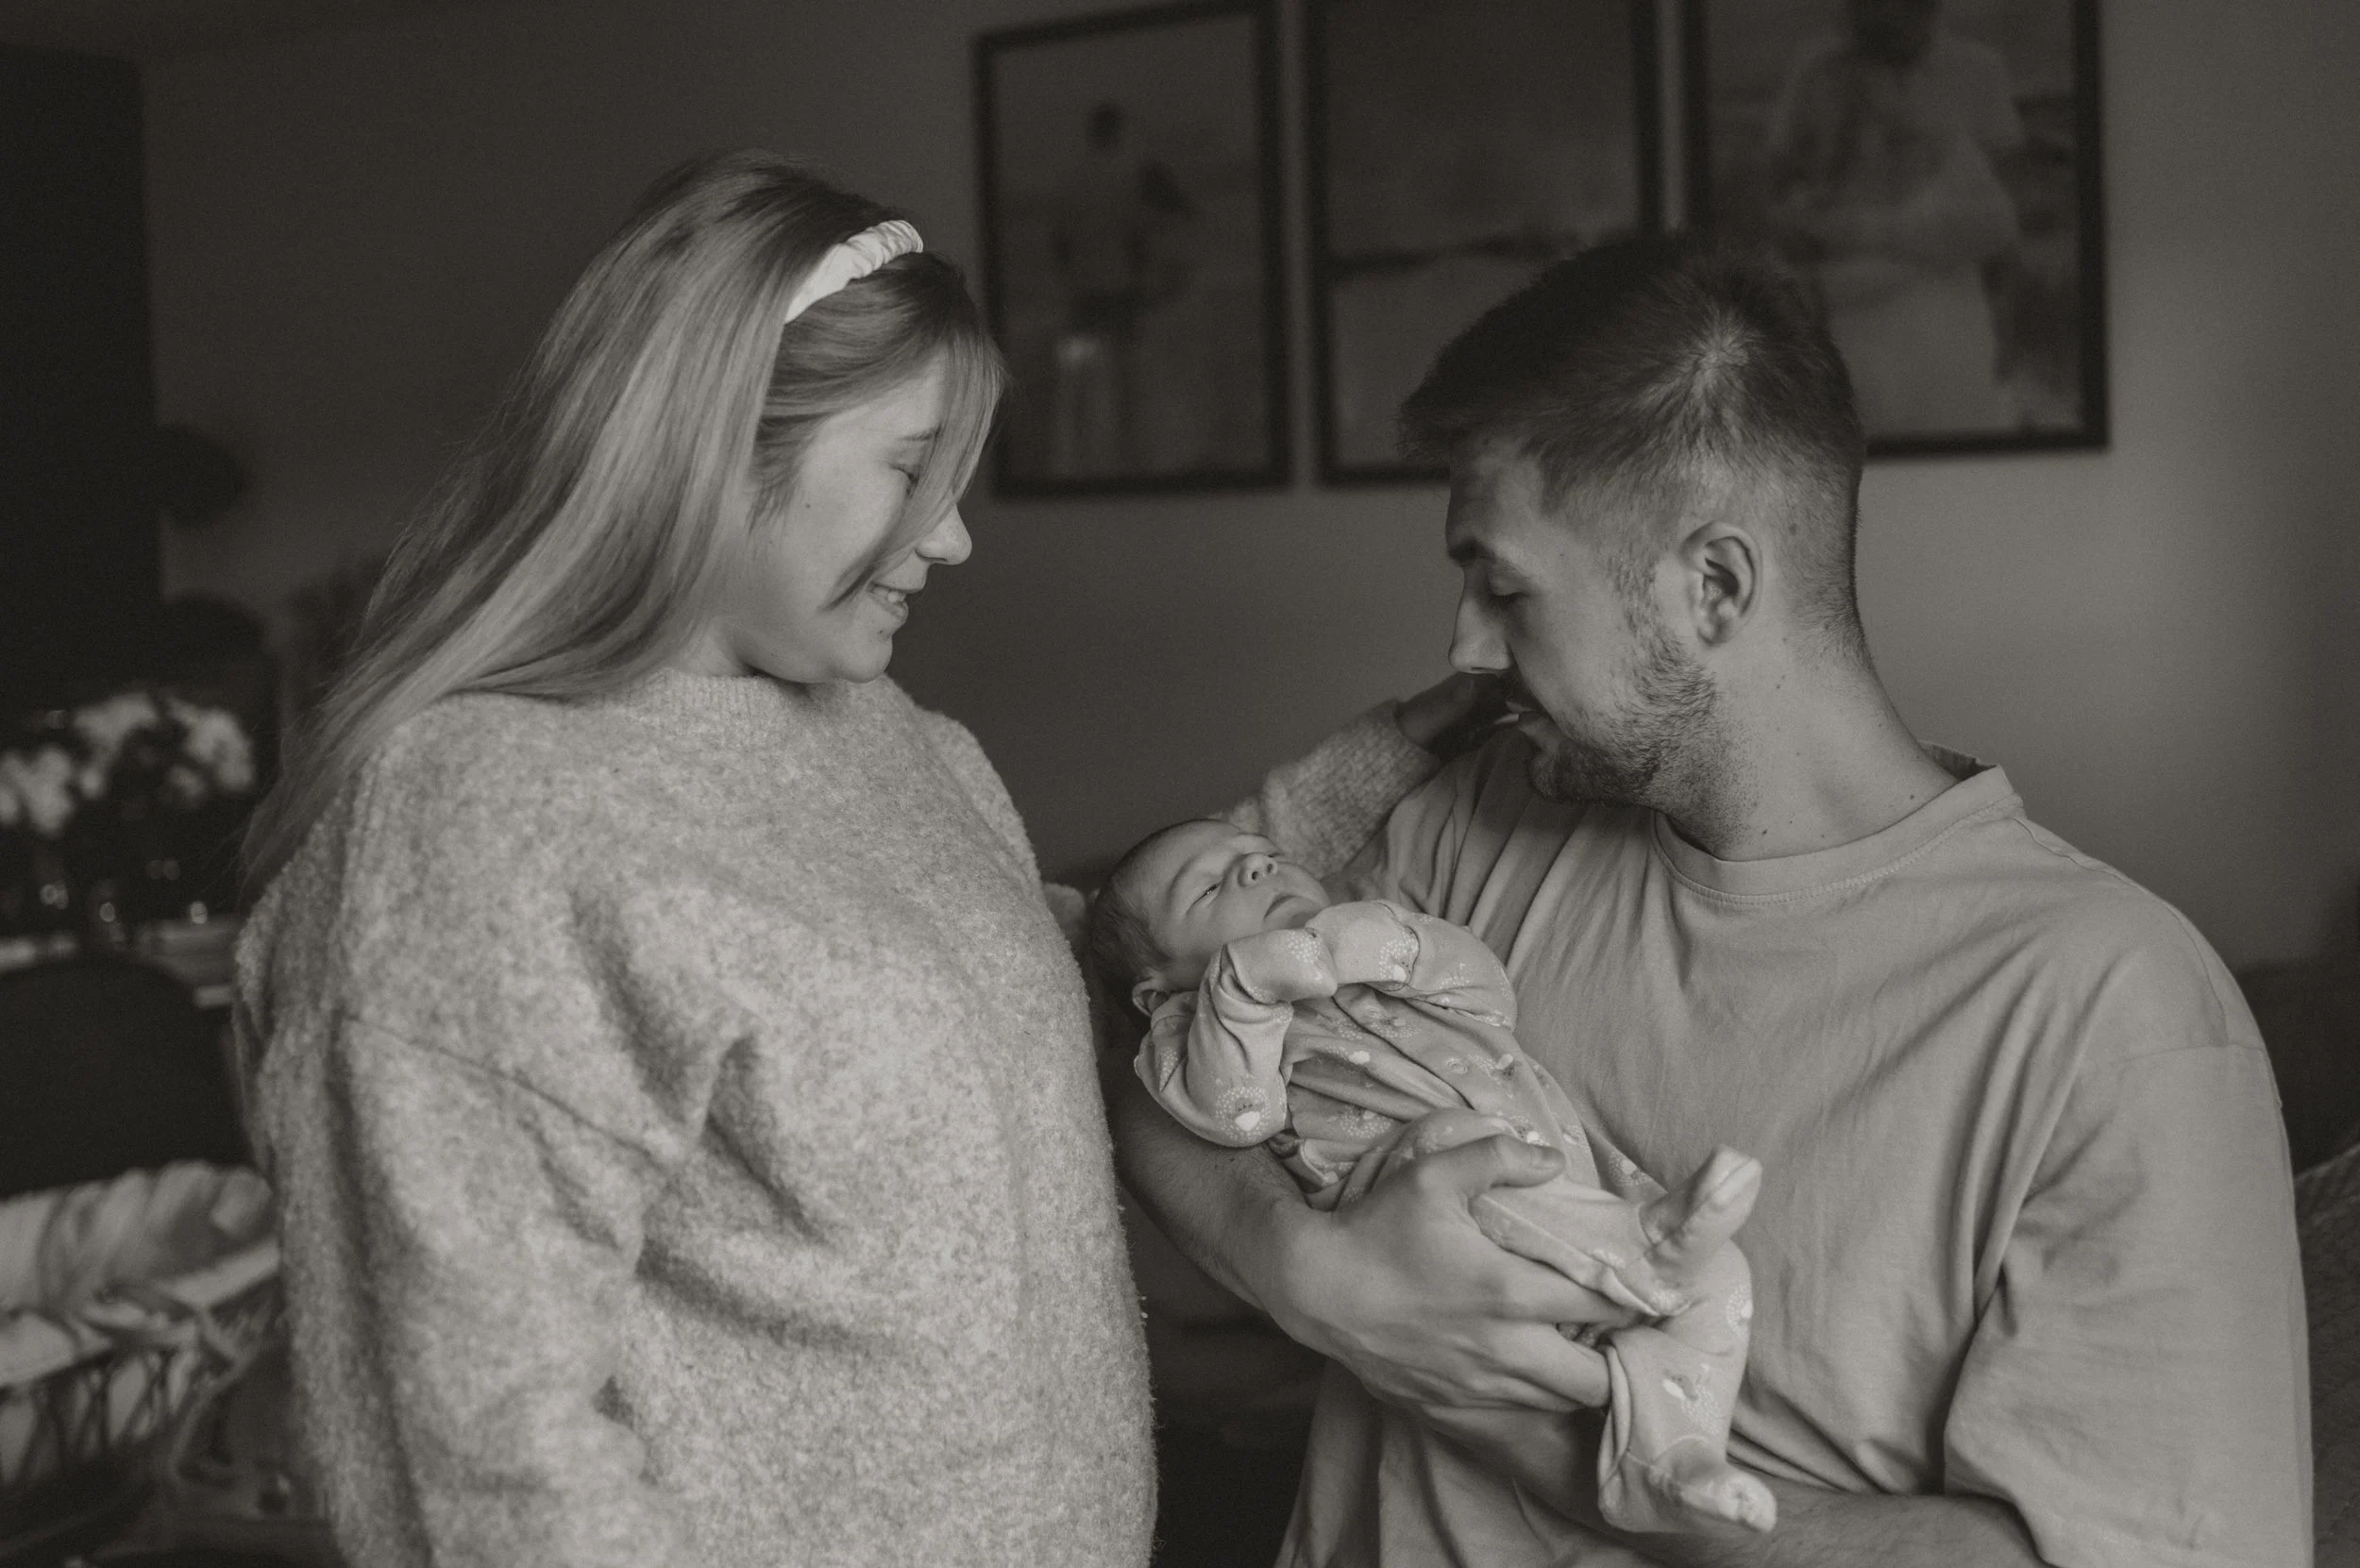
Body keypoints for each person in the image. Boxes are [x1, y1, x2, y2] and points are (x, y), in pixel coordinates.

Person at [230, 149, 1475, 1568]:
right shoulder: (478, 814)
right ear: (712, 444)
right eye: (910, 470)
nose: (952, 538)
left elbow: (1105, 961)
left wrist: (1393, 756)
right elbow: (473, 1443)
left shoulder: (903, 744)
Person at [1108, 235, 2310, 1567]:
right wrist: (1313, 1277)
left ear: (1716, 586)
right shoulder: (1479, 822)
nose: (1463, 646)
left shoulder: (2114, 1010)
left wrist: (1543, 1436)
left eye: (1504, 587)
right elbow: (1140, 1031)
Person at [1090, 818, 1775, 1535]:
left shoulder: (1384, 958)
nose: (1256, 870)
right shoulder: (1188, 1032)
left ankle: (1671, 1455)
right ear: (1156, 992)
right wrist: (1240, 990)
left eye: (1267, 856)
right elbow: (1237, 1117)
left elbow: (1486, 992)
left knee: (1721, 1273)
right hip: (1429, 1223)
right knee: (1455, 1143)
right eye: (1207, 888)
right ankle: (1641, 1250)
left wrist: (1368, 942)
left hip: (1571, 1199)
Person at [1764, 0, 2024, 433]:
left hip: (1950, 312)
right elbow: (1782, 198)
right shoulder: (1819, 73)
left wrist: (2007, 316)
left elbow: (2001, 222)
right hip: (1848, 319)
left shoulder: (1977, 72)